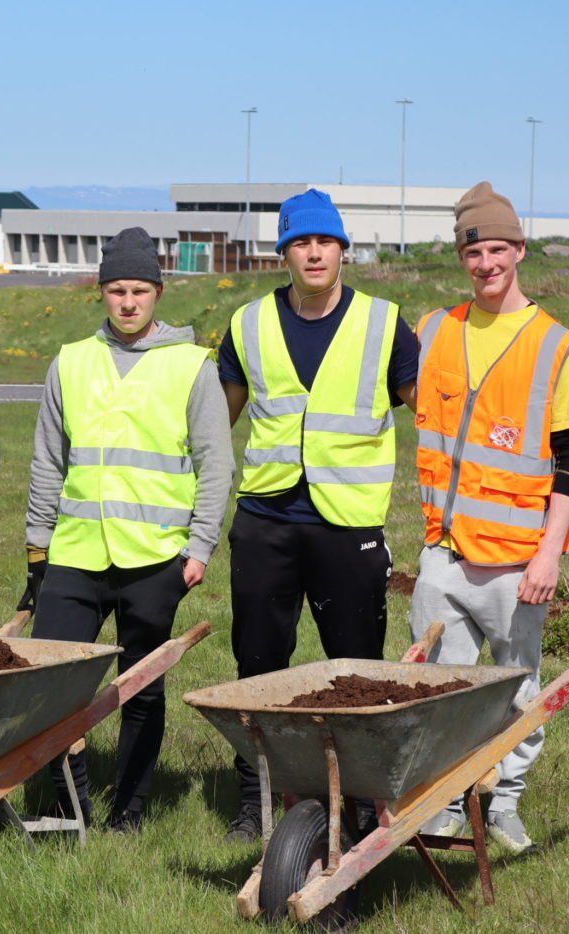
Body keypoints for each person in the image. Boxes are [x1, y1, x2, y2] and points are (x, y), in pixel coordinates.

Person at [216, 189, 418, 841]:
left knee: (356, 673)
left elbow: (435, 413)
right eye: (299, 242)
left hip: (347, 524)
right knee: (257, 666)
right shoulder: (248, 324)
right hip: (265, 519)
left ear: (342, 250)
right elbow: (216, 425)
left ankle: (356, 805)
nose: (312, 253)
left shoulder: (385, 324)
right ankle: (257, 798)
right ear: (284, 252)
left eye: (324, 241)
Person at [22, 227, 232, 832]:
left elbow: (217, 464)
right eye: (117, 290)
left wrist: (199, 548)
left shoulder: (191, 366)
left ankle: (129, 812)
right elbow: (47, 460)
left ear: (158, 292)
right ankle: (67, 805)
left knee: (141, 689)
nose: (129, 302)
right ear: (101, 292)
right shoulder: (70, 361)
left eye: (140, 290)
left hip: (156, 558)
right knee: (53, 683)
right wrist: (38, 545)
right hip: (76, 553)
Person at [410, 181, 569, 853]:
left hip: (518, 562)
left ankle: (507, 803)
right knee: (442, 689)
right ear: (462, 258)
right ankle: (447, 803)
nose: (485, 264)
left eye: (496, 249)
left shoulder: (554, 344)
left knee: (518, 690)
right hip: (445, 551)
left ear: (519, 250)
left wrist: (549, 554)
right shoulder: (435, 330)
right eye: (473, 252)